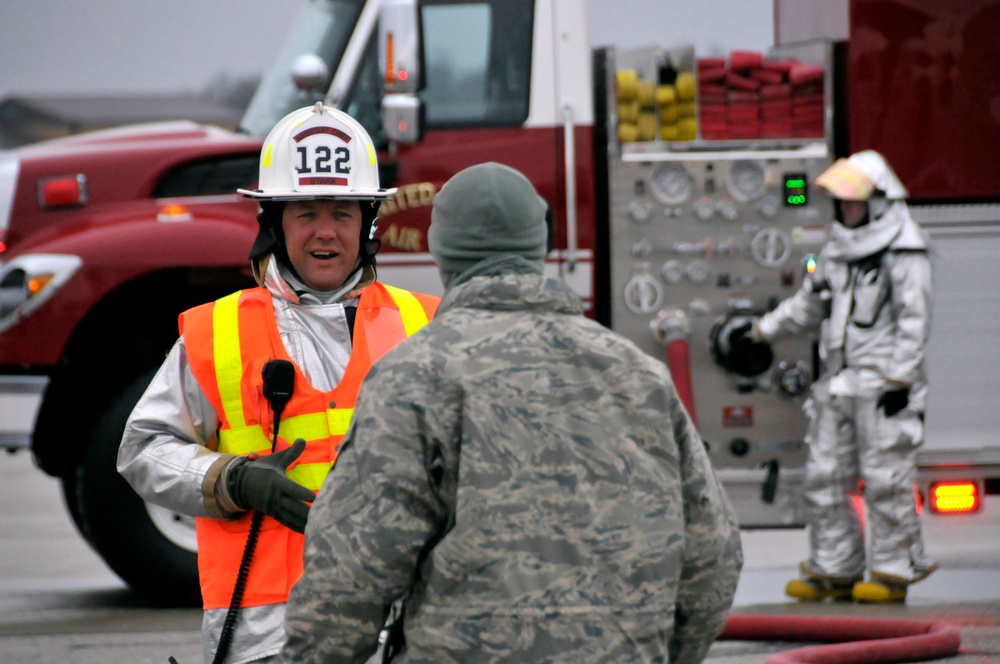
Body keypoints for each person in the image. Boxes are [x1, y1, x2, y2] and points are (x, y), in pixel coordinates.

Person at [280, 162, 743, 664]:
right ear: (539, 246)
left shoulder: (416, 375)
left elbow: (351, 571)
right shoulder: (639, 375)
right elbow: (713, 558)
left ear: (440, 250)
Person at [118, 102, 439, 664]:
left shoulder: (427, 324)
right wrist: (230, 479)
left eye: (342, 213)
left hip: (402, 629)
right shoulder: (217, 331)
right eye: (304, 213)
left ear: (367, 223)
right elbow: (142, 450)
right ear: (273, 222)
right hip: (265, 636)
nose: (325, 233)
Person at [733, 150, 936, 603]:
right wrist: (760, 332)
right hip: (840, 382)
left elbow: (914, 322)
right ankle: (835, 567)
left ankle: (890, 570)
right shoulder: (838, 251)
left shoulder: (905, 250)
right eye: (842, 203)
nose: (846, 211)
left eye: (853, 203)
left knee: (885, 479)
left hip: (884, 386)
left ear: (879, 203)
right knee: (823, 475)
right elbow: (809, 304)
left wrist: (900, 383)